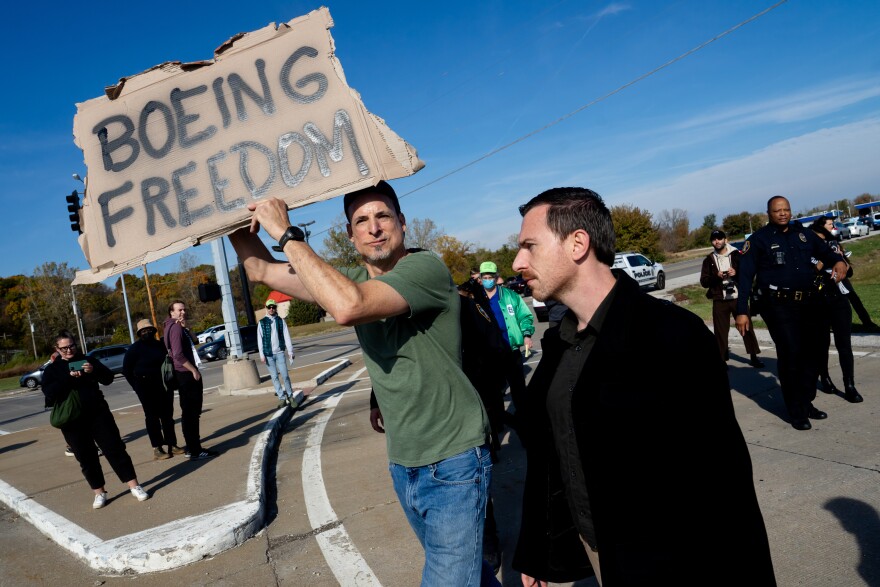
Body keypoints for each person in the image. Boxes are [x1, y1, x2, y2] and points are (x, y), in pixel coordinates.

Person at [229, 180, 497, 586]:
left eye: (383, 216)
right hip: (404, 461)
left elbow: (348, 306)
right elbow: (261, 270)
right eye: (362, 221)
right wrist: (228, 217)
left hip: (454, 459)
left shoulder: (425, 268)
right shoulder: (349, 276)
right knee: (468, 573)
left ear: (402, 223)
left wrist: (286, 234)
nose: (374, 228)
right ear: (351, 236)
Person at [511, 187, 776, 585]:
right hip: (598, 551)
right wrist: (538, 549)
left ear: (578, 243)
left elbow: (725, 487)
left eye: (529, 246)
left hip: (676, 564)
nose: (518, 261)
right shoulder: (559, 346)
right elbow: (552, 453)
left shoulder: (671, 336)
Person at [736, 196, 848, 431]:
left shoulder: (804, 234)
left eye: (786, 209)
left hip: (809, 302)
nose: (783, 213)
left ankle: (806, 402)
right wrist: (741, 311)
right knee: (791, 355)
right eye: (778, 210)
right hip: (778, 306)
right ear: (769, 213)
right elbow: (744, 277)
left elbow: (827, 252)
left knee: (815, 354)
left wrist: (839, 261)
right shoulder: (758, 241)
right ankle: (796, 411)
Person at [41, 332, 150, 509]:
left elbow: (108, 378)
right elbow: (49, 393)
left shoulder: (87, 360)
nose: (69, 350)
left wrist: (94, 370)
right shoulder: (53, 369)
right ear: (57, 349)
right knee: (86, 457)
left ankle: (134, 486)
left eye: (72, 346)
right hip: (72, 420)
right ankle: (99, 493)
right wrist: (69, 378)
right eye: (65, 348)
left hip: (98, 414)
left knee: (115, 449)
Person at [808, 220, 864, 403]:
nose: (822, 240)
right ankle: (824, 377)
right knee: (821, 344)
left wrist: (841, 260)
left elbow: (850, 272)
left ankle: (849, 385)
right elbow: (810, 272)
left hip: (839, 298)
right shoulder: (807, 249)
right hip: (818, 300)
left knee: (844, 345)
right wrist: (826, 258)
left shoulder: (834, 245)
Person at [700, 229, 764, 368]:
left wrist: (735, 273)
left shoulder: (737, 255)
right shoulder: (709, 260)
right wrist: (716, 276)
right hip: (719, 298)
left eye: (720, 238)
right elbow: (704, 282)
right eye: (714, 239)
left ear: (725, 240)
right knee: (720, 332)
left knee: (746, 328)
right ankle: (722, 360)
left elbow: (748, 274)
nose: (717, 241)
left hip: (737, 297)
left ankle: (754, 356)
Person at [478, 261, 534, 418]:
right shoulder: (476, 299)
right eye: (485, 277)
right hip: (490, 353)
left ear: (496, 278)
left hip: (510, 349)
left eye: (491, 276)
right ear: (481, 279)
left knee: (518, 387)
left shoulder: (510, 295)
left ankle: (524, 416)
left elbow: (524, 315)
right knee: (494, 390)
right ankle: (499, 420)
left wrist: (527, 334)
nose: (488, 279)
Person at [163, 301, 219, 460]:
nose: (183, 312)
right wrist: (193, 370)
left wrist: (187, 327)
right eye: (179, 310)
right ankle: (195, 449)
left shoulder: (178, 327)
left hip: (185, 374)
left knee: (191, 413)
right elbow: (178, 355)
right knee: (191, 414)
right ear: (171, 312)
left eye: (184, 309)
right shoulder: (174, 328)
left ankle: (192, 447)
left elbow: (195, 341)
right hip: (185, 375)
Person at [123, 319, 184, 460]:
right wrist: (136, 386)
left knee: (168, 417)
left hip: (163, 385)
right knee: (152, 418)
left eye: (150, 330)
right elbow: (126, 370)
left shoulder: (160, 345)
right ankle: (157, 448)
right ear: (139, 333)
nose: (147, 332)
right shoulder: (134, 349)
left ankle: (172, 445)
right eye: (144, 331)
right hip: (145, 387)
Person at [257, 298, 303, 409]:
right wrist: (262, 355)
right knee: (274, 377)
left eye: (273, 307)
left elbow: (286, 336)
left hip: (280, 353)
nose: (271, 309)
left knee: (285, 375)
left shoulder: (280, 321)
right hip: (269, 355)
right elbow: (260, 339)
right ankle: (282, 398)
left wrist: (290, 351)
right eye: (269, 307)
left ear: (275, 308)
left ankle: (290, 396)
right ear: (266, 308)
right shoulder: (262, 323)